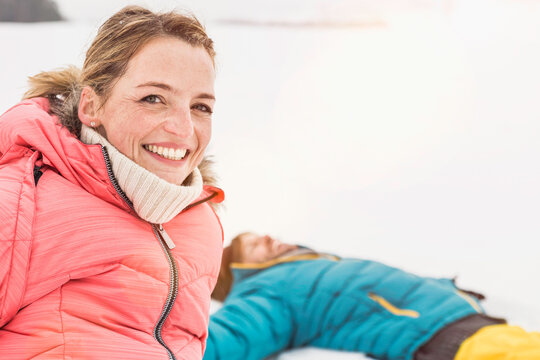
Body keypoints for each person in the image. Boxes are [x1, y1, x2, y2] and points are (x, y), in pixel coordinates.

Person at [0, 6, 225, 359]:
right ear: (91, 106)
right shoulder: (23, 199)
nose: (183, 129)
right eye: (153, 98)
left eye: (201, 107)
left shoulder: (201, 222)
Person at [205, 232, 540, 360]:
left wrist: (445, 287)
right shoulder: (263, 289)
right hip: (442, 340)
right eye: (253, 244)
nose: (267, 237)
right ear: (236, 270)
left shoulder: (311, 264)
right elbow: (223, 339)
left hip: (473, 324)